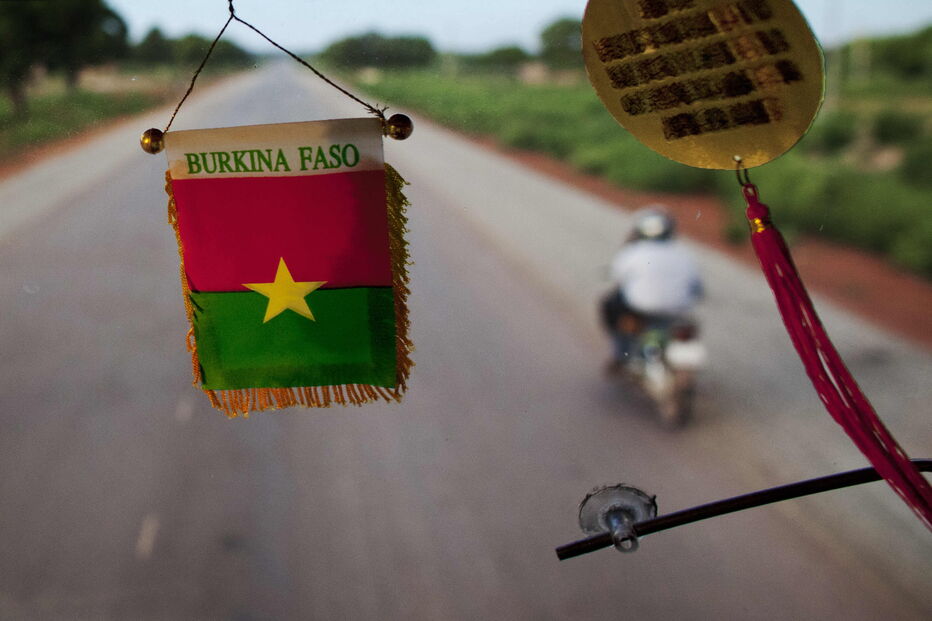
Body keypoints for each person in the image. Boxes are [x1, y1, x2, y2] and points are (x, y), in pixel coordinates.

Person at [602, 206, 702, 370]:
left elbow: (617, 277)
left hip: (641, 308)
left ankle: (621, 354)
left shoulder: (633, 251)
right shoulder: (684, 253)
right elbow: (697, 287)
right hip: (677, 310)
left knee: (611, 305)